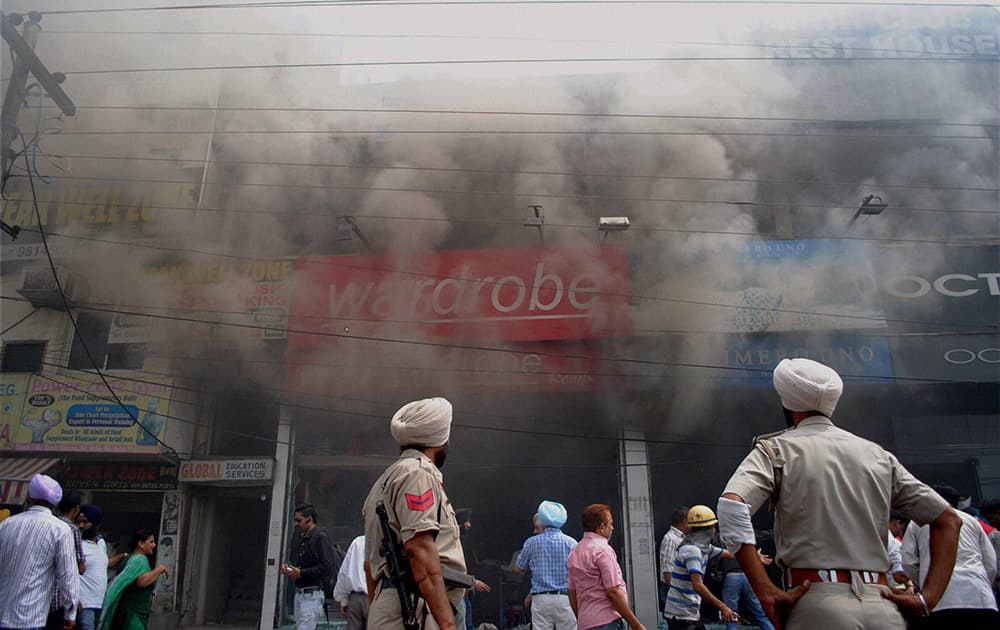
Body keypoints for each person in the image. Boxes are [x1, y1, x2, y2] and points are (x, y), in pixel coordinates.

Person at [717, 357, 962, 630]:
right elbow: (949, 520)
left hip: (817, 604)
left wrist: (764, 589)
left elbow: (731, 508)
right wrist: (928, 598)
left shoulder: (776, 450)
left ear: (787, 403)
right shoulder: (877, 455)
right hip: (883, 605)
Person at [362, 397, 466, 630]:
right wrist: (448, 624)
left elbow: (370, 567)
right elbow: (419, 549)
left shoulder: (384, 480)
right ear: (441, 440)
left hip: (394, 605)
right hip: (417, 608)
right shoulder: (417, 474)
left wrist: (382, 609)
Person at [901, 485, 999, 628]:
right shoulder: (972, 521)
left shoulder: (918, 523)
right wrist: (982, 582)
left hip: (942, 603)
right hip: (981, 599)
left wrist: (929, 585)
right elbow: (990, 563)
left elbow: (909, 562)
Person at [0, 474, 79, 630]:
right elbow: (67, 576)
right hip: (32, 618)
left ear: (29, 497)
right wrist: (70, 613)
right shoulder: (60, 530)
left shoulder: (6, 525)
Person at [663, 506, 747, 630]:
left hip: (688, 614)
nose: (714, 531)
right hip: (681, 616)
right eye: (713, 527)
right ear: (708, 530)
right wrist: (722, 607)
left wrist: (755, 558)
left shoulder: (703, 548)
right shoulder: (692, 551)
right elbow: (698, 585)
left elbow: (728, 553)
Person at [567, 504, 645, 630]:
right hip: (607, 621)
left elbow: (572, 591)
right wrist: (636, 625)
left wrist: (582, 617)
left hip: (586, 622)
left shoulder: (574, 552)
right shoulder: (603, 550)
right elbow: (613, 592)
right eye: (610, 524)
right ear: (601, 528)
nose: (612, 528)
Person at [515, 500, 578, 630]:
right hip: (566, 599)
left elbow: (518, 568)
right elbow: (579, 572)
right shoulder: (571, 543)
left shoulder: (531, 543)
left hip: (541, 599)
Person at [98, 529, 168, 630]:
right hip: (132, 616)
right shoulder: (140, 560)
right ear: (141, 543)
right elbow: (141, 582)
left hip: (124, 614)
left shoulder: (130, 559)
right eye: (151, 542)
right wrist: (159, 570)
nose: (154, 545)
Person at [280, 504, 335, 630]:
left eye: (299, 520)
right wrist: (290, 569)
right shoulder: (302, 539)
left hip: (312, 595)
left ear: (309, 519)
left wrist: (301, 573)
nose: (295, 524)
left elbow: (327, 566)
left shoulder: (320, 537)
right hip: (299, 594)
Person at [75, 505, 122, 630]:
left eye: (85, 522)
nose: (81, 526)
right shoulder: (76, 545)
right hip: (83, 604)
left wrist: (124, 556)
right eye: (79, 522)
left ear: (95, 524)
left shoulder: (101, 544)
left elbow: (105, 564)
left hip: (99, 603)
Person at [47, 490, 87, 630]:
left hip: (40, 596)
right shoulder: (72, 530)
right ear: (76, 509)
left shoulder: (49, 524)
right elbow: (80, 567)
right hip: (60, 599)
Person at [454, 508, 491, 630]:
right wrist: (473, 582)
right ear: (459, 523)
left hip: (463, 592)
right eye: (467, 521)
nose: (469, 525)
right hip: (455, 594)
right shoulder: (451, 543)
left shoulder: (460, 543)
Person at [334, 535, 369, 630]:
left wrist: (343, 600)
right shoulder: (384, 542)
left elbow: (344, 572)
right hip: (375, 597)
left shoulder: (358, 542)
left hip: (356, 598)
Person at [658, 507, 689, 604]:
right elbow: (668, 569)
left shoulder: (683, 538)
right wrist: (675, 592)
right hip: (673, 590)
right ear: (684, 521)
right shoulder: (671, 539)